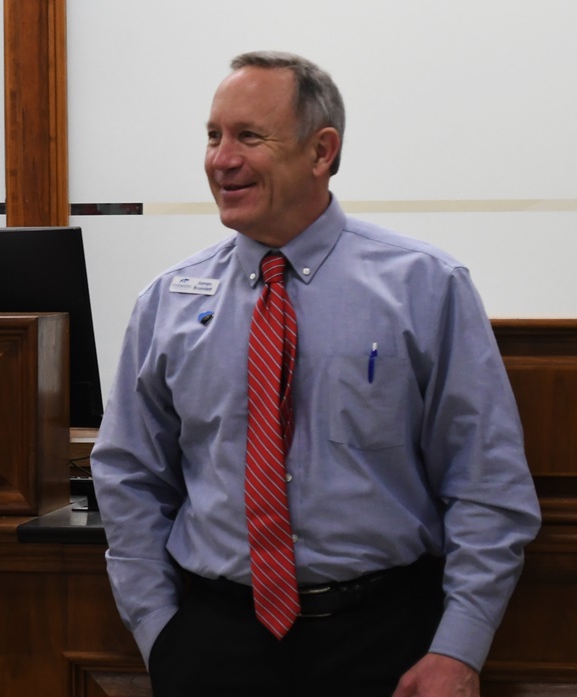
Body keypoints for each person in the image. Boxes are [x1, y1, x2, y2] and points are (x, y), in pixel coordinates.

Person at [90, 51, 541, 697]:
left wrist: (459, 647)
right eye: (214, 136)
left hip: (387, 641)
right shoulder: (168, 302)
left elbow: (486, 482)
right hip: (214, 641)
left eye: (250, 136)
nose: (222, 159)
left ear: (321, 151)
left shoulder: (425, 287)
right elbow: (128, 474)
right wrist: (159, 630)